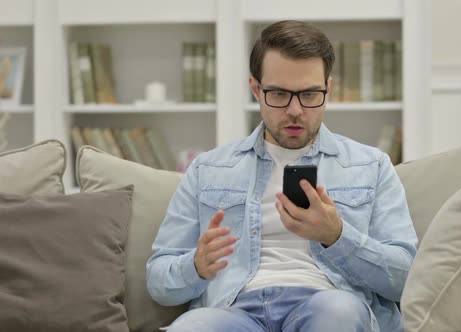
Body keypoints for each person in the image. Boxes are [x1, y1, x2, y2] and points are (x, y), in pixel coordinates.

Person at [146, 20, 417, 332]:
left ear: (328, 89)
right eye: (278, 94)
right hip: (233, 311)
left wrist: (337, 236)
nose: (295, 110)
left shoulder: (372, 165)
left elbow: (407, 279)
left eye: (310, 94)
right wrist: (194, 266)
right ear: (255, 90)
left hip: (327, 302)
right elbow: (158, 281)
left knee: (338, 311)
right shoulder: (208, 169)